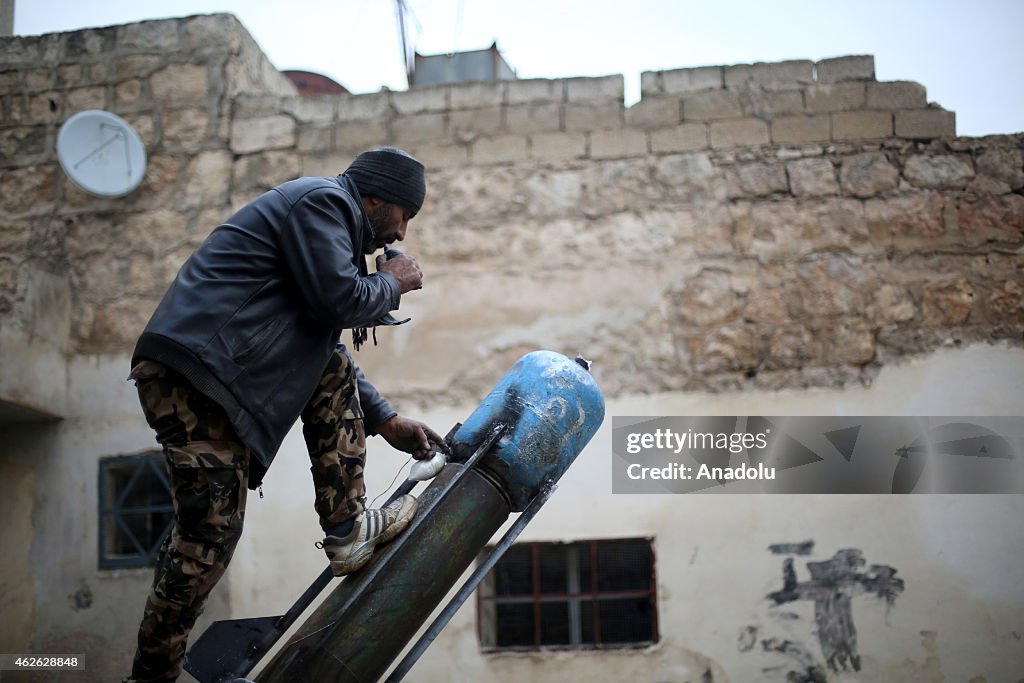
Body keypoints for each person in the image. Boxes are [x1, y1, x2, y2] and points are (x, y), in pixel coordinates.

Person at [124, 147, 448, 683]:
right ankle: (347, 528)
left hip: (211, 374)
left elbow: (323, 347)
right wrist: (394, 282)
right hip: (199, 374)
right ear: (376, 199)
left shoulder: (330, 220)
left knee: (207, 536)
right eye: (404, 216)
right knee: (206, 537)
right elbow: (339, 303)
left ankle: (346, 527)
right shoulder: (323, 203)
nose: (403, 234)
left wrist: (386, 420)